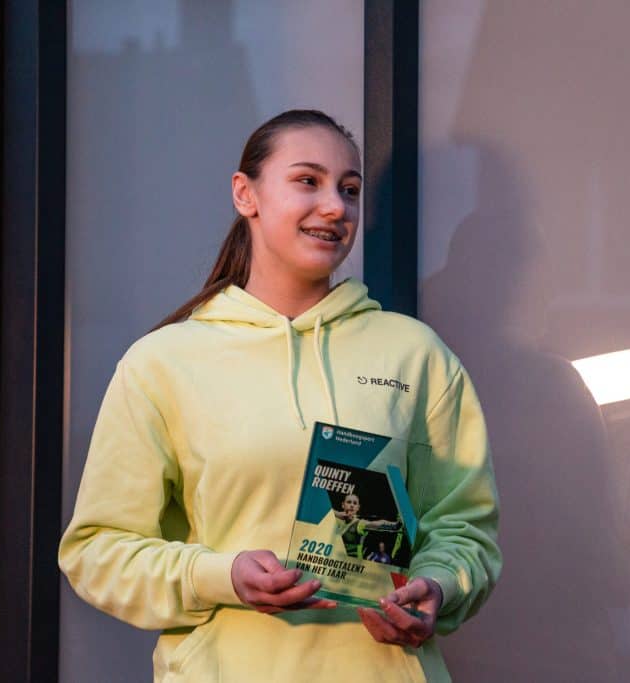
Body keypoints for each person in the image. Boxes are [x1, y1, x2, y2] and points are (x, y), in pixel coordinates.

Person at [59, 109, 501, 682]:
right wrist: (223, 576)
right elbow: (98, 551)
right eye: (307, 181)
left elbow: (465, 528)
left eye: (350, 189)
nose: (336, 207)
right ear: (246, 194)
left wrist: (438, 586)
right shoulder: (162, 363)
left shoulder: (415, 355)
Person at [333, 492, 402, 560]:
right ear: (343, 505)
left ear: (358, 507)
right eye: (349, 502)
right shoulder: (337, 520)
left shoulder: (360, 524)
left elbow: (377, 524)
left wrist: (395, 525)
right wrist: (338, 514)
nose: (352, 505)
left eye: (355, 503)